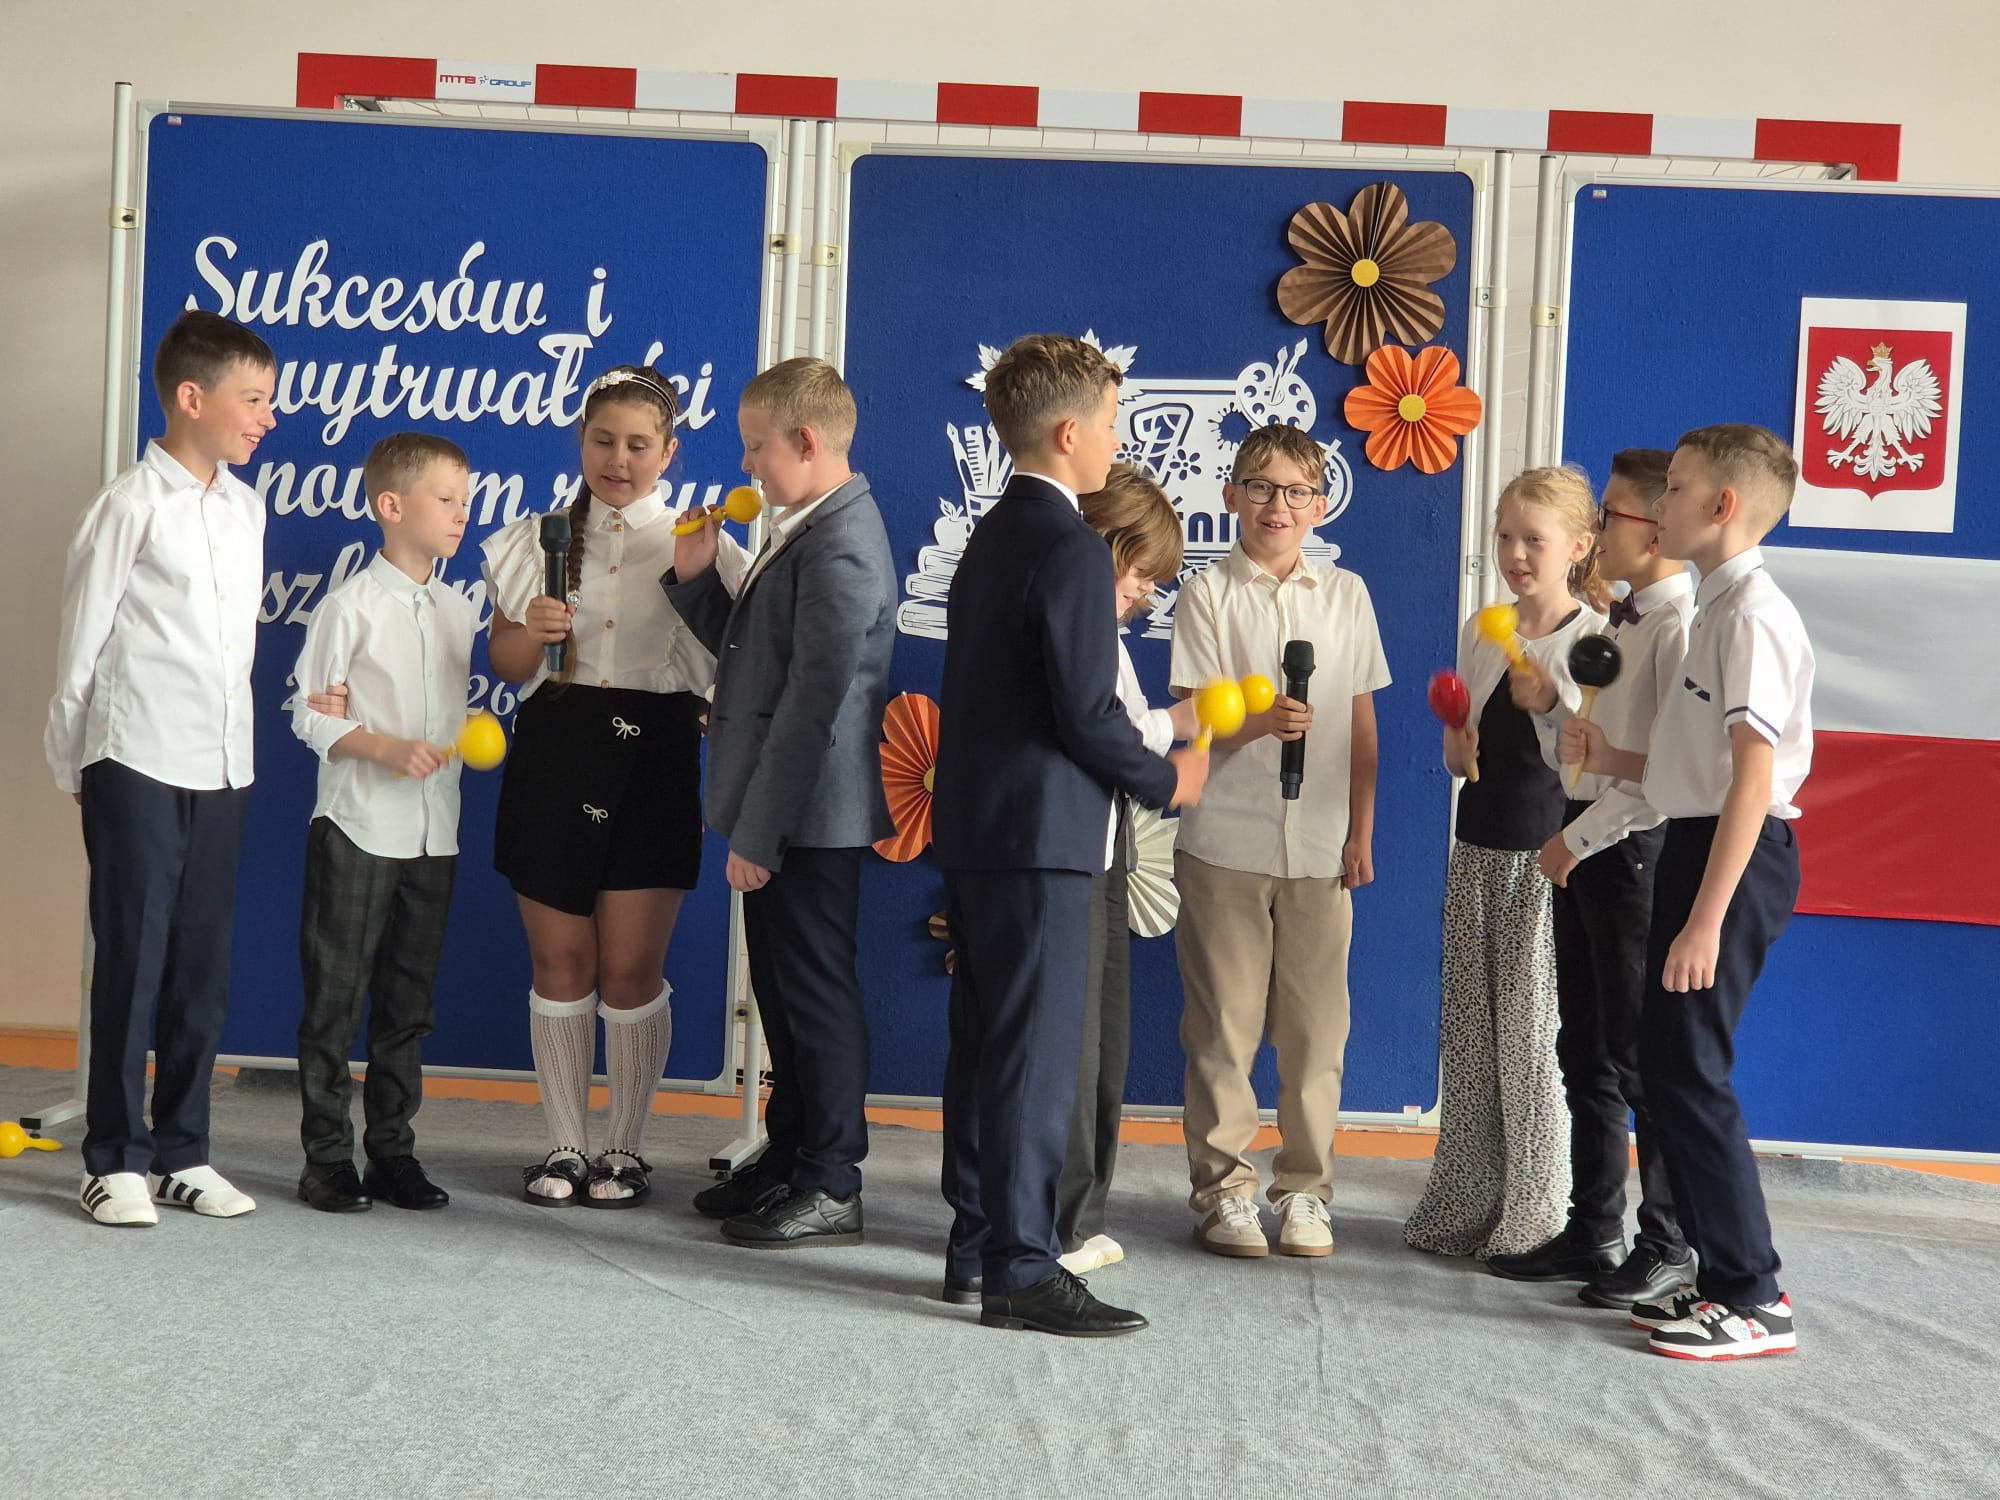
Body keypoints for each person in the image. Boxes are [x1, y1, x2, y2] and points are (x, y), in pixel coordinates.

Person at [932, 333, 1206, 1337]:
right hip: (1043, 841)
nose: (1115, 442)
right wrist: (1168, 778)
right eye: (1110, 424)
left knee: (985, 1049)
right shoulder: (1070, 548)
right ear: (1065, 432)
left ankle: (976, 1249)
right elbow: (1085, 714)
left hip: (980, 831)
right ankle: (1019, 1267)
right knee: (1036, 1061)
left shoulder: (992, 534)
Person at [1562, 424, 1812, 1360]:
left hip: (1731, 862)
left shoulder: (1750, 617)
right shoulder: (1717, 607)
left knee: (1694, 1070)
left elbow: (1752, 780)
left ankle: (1756, 1295)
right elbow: (1694, 773)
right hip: (1698, 843)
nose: (1658, 505)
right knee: (1666, 1069)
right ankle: (1714, 1278)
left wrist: (1706, 920)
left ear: (1722, 505)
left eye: (1673, 488)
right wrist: (1614, 757)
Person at [483, 364, 746, 1207]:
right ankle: (565, 1146)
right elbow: (506, 663)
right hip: (556, 744)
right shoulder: (536, 539)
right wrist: (532, 629)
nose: (618, 460)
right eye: (603, 440)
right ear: (581, 441)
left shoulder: (700, 540)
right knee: (559, 958)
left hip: (655, 752)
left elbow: (736, 659)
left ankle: (624, 1151)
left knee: (631, 968)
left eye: (638, 444)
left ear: (668, 452)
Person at [45, 309, 276, 1227]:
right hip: (134, 753)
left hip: (222, 762)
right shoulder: (127, 506)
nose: (266, 417)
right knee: (133, 958)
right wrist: (77, 761)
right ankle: (113, 1159)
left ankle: (185, 1152)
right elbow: (82, 641)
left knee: (200, 965)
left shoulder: (247, 508)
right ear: (192, 398)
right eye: (252, 399)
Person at [664, 356, 896, 1248]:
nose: (746, 464)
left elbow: (811, 706)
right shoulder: (807, 524)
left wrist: (758, 835)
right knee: (784, 990)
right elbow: (757, 661)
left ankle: (833, 1179)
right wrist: (698, 580)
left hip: (807, 817)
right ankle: (794, 1153)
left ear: (804, 441)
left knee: (814, 994)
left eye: (755, 445)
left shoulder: (842, 541)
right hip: (786, 808)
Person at [1167, 424, 1390, 1260]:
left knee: (1315, 1033)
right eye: (1260, 487)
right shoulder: (1206, 594)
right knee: (1222, 1027)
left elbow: (1362, 723)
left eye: (1298, 491)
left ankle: (1305, 1190)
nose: (1278, 505)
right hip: (1224, 840)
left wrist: (1361, 829)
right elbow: (1193, 722)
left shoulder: (1347, 595)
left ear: (1321, 506)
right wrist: (1259, 723)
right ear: (1230, 496)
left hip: (1322, 845)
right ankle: (1223, 1192)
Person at [1485, 449, 1695, 1303]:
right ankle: (1595, 1229)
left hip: (1628, 852)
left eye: (1611, 515)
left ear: (1658, 526)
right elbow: (1581, 758)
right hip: (1587, 841)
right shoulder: (1624, 623)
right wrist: (1549, 712)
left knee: (1640, 1057)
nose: (1600, 530)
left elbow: (1668, 778)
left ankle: (1669, 1240)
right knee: (1587, 1049)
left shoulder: (1677, 627)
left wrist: (1577, 840)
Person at [1403, 467, 1607, 1260]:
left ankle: (1536, 1216)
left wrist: (1551, 699)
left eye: (1534, 540)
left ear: (1578, 547)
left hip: (1545, 864)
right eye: (1505, 537)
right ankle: (1466, 1202)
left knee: (1530, 1047)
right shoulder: (1481, 629)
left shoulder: (1592, 642)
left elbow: (1589, 769)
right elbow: (1465, 763)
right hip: (1476, 855)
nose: (1516, 554)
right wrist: (1458, 742)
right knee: (1471, 1043)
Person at [289, 432, 477, 1214]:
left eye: (466, 501)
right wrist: (386, 747)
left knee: (409, 1004)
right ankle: (326, 1158)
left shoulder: (459, 611)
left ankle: (392, 1152)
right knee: (335, 999)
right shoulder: (350, 607)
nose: (461, 514)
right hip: (359, 825)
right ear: (391, 506)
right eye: (446, 499)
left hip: (435, 833)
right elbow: (310, 714)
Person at [1056, 462, 1200, 1276]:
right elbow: (1097, 729)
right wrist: (1176, 752)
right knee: (1078, 1052)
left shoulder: (1104, 634)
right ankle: (1062, 1225)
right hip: (1074, 853)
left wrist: (1175, 725)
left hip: (1106, 851)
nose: (1146, 592)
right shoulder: (1076, 621)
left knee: (1104, 1046)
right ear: (1104, 547)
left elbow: (1118, 722)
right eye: (1140, 572)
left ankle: (1081, 1216)